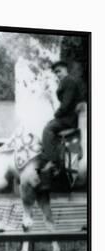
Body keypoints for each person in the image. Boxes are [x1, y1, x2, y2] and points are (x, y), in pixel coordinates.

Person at [39, 61, 85, 189]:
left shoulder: (68, 81)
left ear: (65, 69)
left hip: (68, 118)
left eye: (59, 71)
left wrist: (56, 115)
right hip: (67, 116)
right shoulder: (67, 81)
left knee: (47, 129)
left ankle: (52, 161)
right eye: (55, 72)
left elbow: (66, 104)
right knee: (49, 124)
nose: (57, 74)